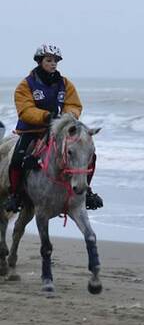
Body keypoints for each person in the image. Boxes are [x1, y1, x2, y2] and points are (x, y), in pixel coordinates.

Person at [3, 43, 103, 213]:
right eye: (49, 60)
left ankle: (87, 192)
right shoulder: (25, 85)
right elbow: (25, 109)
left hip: (59, 130)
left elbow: (74, 105)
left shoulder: (65, 84)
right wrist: (46, 116)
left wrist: (65, 117)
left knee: (89, 155)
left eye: (55, 61)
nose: (53, 63)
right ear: (40, 62)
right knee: (17, 159)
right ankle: (16, 195)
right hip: (32, 130)